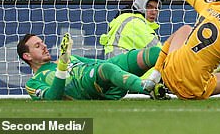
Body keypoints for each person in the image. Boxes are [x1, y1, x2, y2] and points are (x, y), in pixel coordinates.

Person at [19, 33, 162, 100]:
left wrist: (121, 65)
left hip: (105, 75)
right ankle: (148, 88)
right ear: (28, 56)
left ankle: (180, 80)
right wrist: (62, 66)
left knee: (154, 53)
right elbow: (52, 98)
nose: (44, 46)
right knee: (107, 69)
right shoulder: (33, 83)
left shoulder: (68, 58)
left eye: (43, 42)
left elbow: (96, 63)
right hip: (88, 85)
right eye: (38, 46)